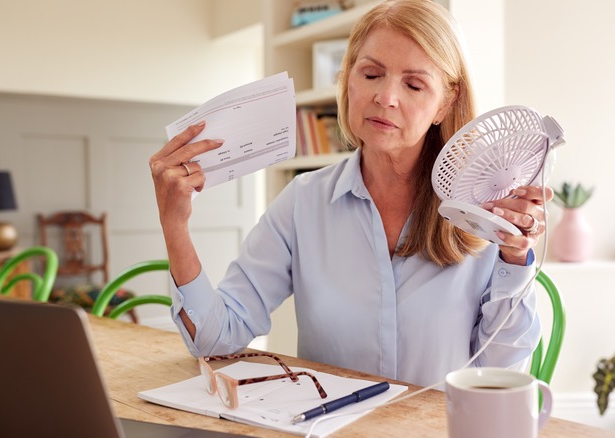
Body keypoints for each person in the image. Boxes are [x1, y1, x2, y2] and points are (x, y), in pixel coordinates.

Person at [149, 0, 552, 388]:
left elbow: (501, 371)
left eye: (413, 84)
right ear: (347, 79)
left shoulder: (481, 208)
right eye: (371, 74)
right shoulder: (302, 203)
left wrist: (514, 260)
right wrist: (175, 224)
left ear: (446, 103)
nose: (385, 97)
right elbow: (216, 340)